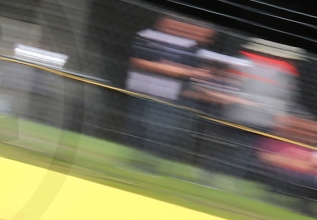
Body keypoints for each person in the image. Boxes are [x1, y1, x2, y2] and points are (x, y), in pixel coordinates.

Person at [125, 16, 215, 166]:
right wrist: (180, 70)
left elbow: (200, 72)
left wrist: (171, 67)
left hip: (170, 97)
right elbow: (139, 61)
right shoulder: (147, 37)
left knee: (161, 133)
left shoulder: (191, 46)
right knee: (139, 128)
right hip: (141, 91)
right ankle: (134, 162)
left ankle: (149, 165)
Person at [222, 38, 305, 179]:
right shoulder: (250, 64)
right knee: (244, 151)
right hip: (247, 117)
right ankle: (221, 174)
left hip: (261, 120)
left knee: (245, 151)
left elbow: (284, 98)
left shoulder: (283, 71)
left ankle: (222, 174)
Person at [256, 114, 317, 216]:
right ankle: (303, 207)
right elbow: (267, 157)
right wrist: (300, 163)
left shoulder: (308, 146)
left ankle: (305, 207)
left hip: (303, 176)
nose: (315, 136)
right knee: (309, 180)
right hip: (278, 173)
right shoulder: (276, 139)